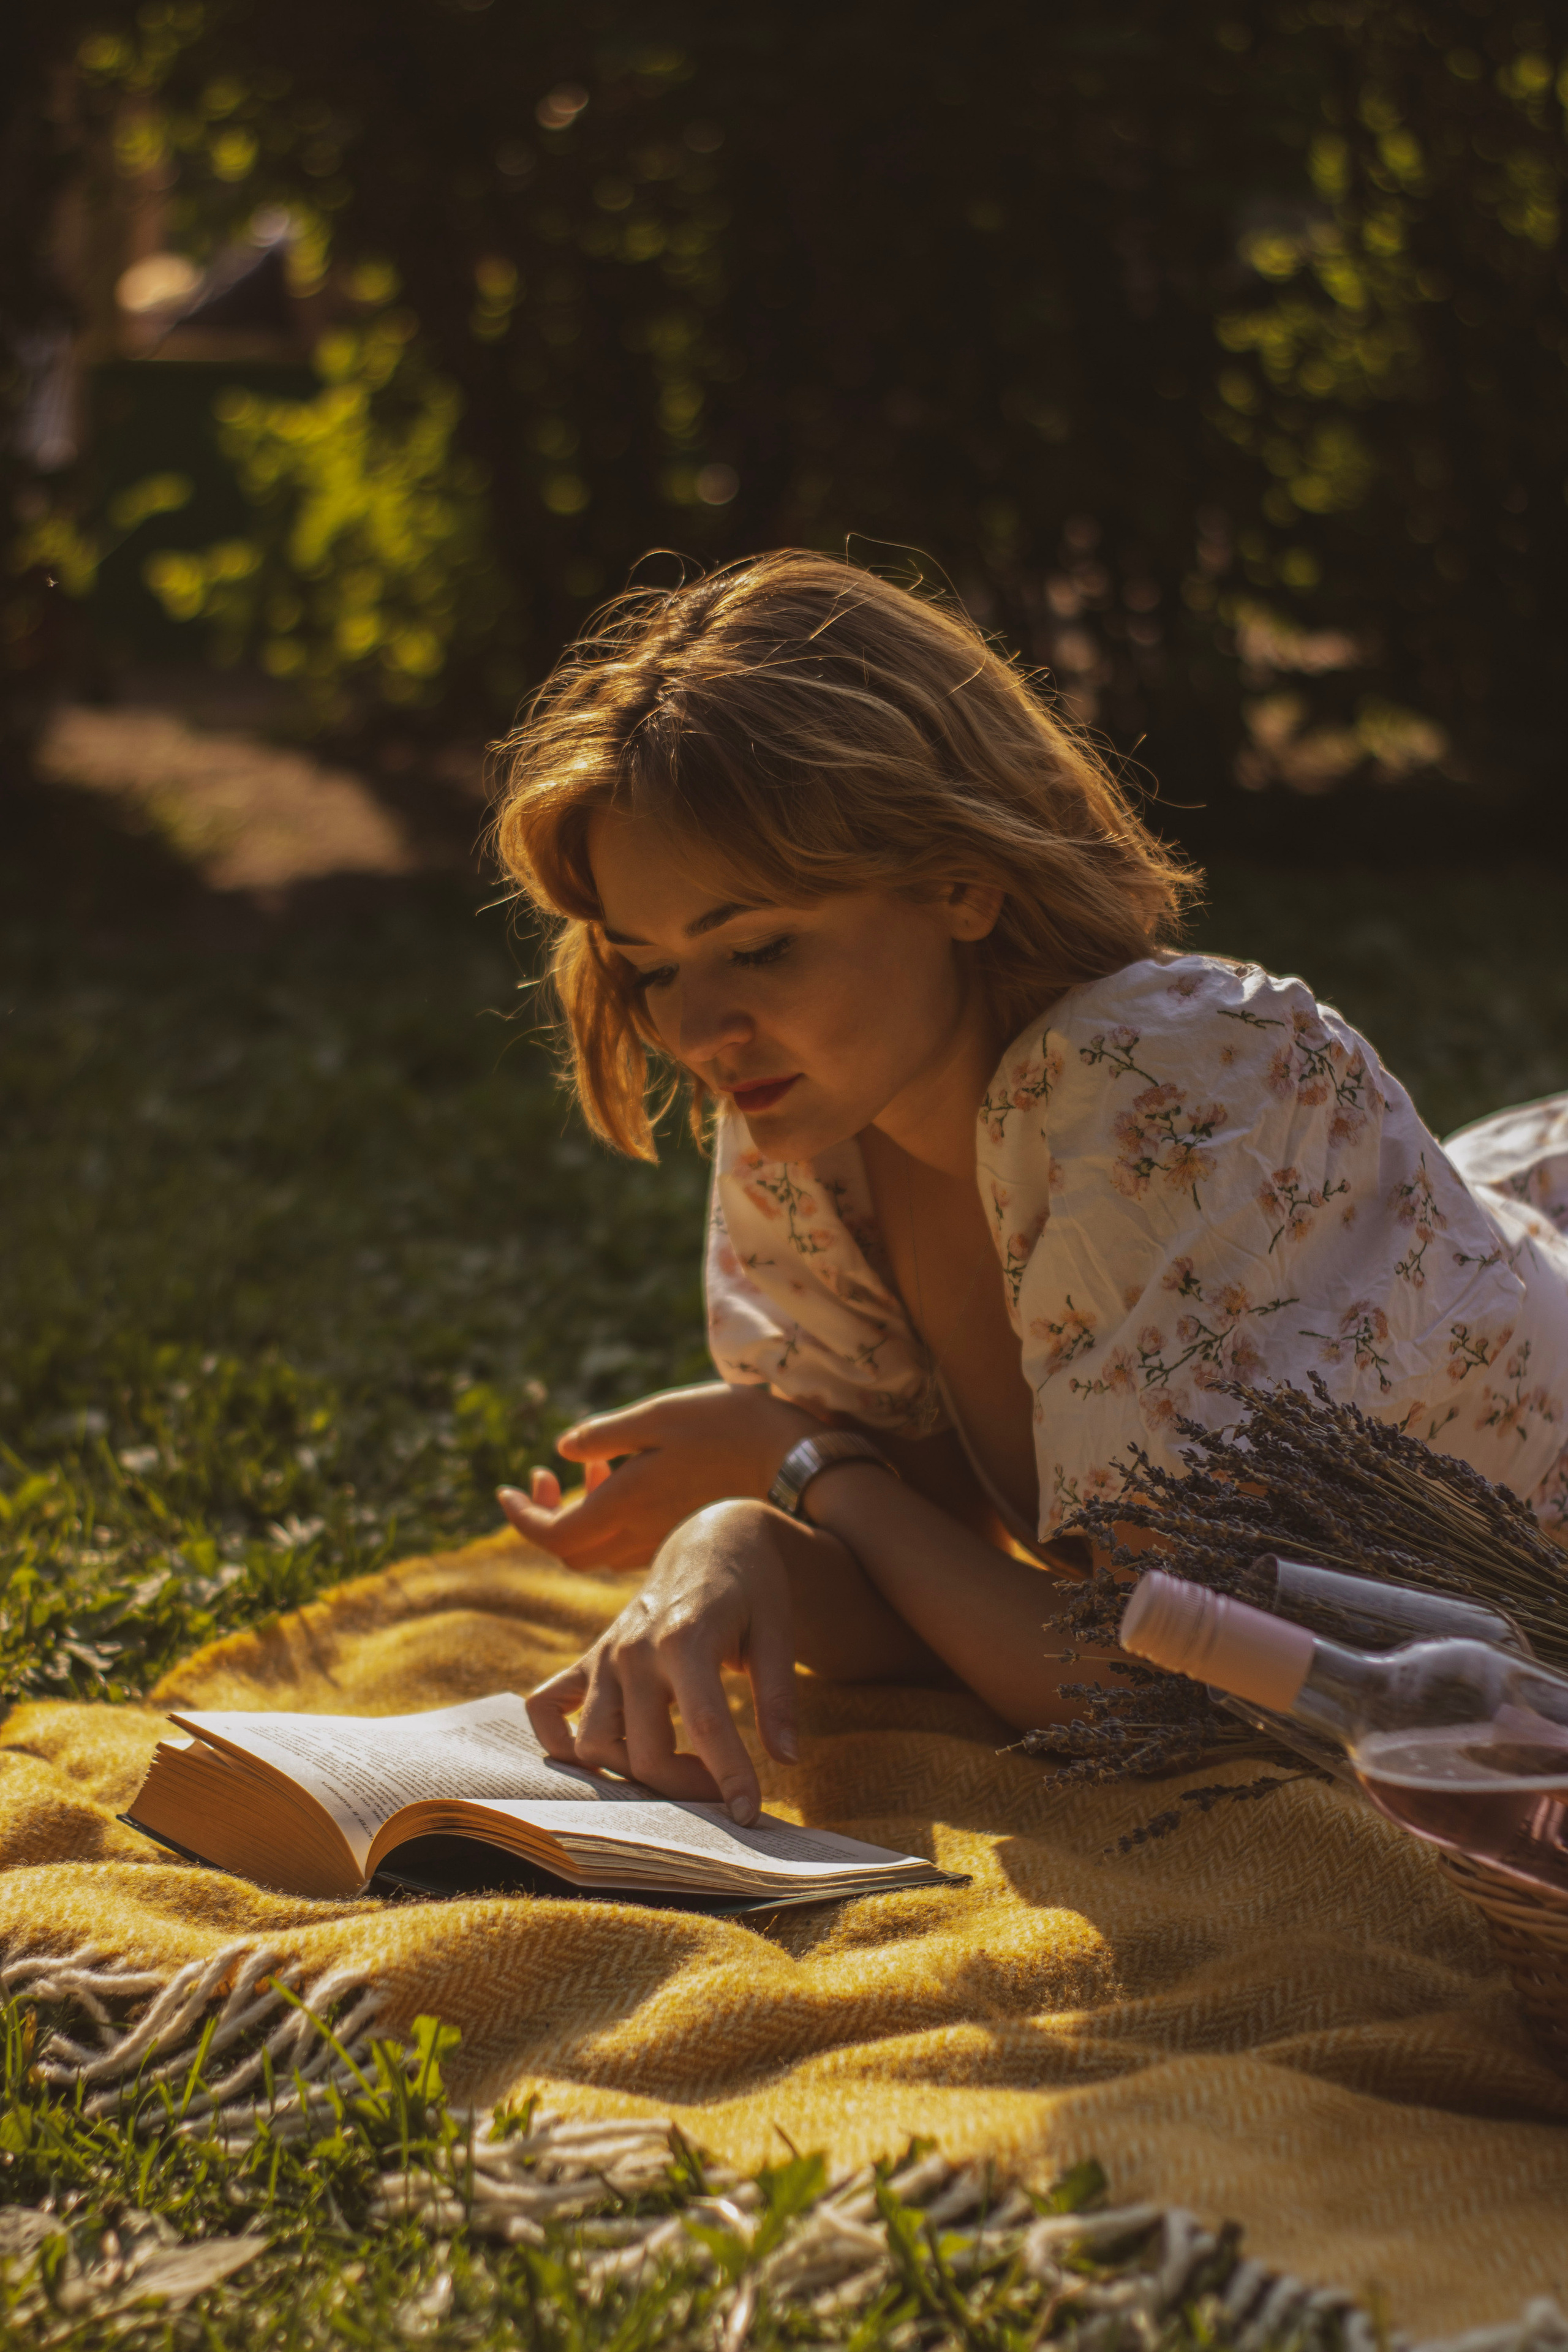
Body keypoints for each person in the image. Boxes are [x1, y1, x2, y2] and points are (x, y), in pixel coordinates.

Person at [488, 551, 1568, 1826]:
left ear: (957, 877)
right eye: (651, 967)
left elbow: (1137, 1686)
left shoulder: (1158, 1078)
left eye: (759, 945)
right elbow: (932, 1580)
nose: (699, 1028)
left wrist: (800, 1469)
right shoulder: (808, 1125)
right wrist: (739, 1542)